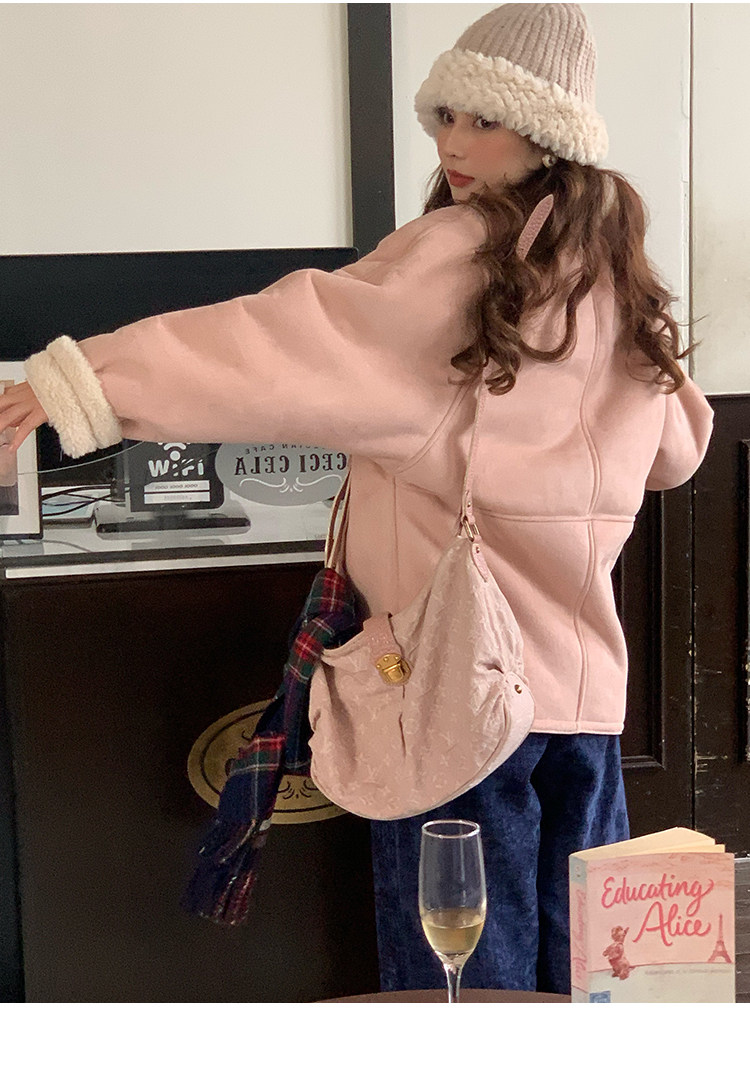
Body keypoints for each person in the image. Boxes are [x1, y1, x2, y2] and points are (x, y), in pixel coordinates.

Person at [0, 3, 713, 995]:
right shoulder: (617, 282)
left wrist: (87, 380)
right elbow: (679, 450)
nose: (454, 145)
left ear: (547, 135)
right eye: (445, 117)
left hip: (456, 697)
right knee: (590, 987)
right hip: (586, 703)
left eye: (484, 120)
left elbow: (285, 340)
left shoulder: (457, 260)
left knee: (458, 992)